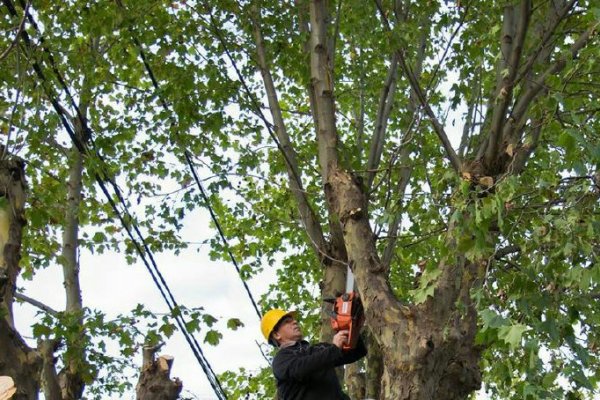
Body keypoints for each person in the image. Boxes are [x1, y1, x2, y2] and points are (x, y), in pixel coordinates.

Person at [261, 309, 367, 400]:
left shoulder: (317, 349)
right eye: (287, 322)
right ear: (276, 334)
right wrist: (334, 349)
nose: (294, 322)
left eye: (293, 320)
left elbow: (356, 352)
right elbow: (300, 368)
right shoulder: (281, 359)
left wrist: (352, 327)